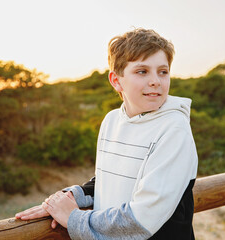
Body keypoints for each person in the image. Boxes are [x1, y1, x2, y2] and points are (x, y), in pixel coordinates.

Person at [15, 28, 198, 240]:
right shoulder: (112, 120)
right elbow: (107, 180)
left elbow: (141, 219)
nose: (156, 80)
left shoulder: (174, 129)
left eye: (163, 71)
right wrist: (68, 198)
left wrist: (72, 218)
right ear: (116, 80)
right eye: (142, 71)